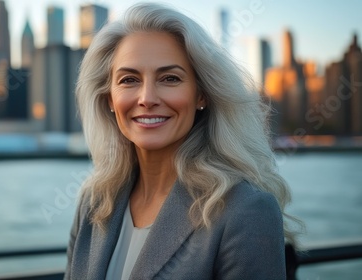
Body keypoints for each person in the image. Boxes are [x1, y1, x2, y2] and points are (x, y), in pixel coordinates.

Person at [65, 3, 298, 279]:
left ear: (202, 95)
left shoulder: (245, 210)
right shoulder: (93, 202)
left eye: (170, 78)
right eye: (129, 80)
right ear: (110, 100)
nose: (147, 98)